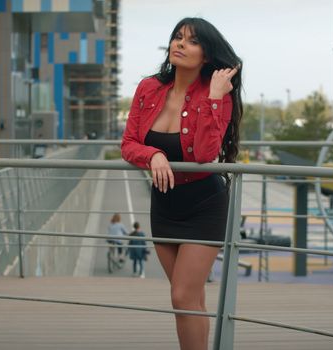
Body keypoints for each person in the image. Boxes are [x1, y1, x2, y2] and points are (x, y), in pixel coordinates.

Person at [121, 17, 243, 350]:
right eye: (177, 37)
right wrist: (153, 155)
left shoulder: (216, 93)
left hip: (204, 203)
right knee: (187, 303)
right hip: (164, 203)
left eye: (190, 41)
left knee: (182, 295)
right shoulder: (149, 88)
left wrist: (215, 98)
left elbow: (204, 154)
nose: (179, 44)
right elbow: (129, 143)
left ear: (206, 55)